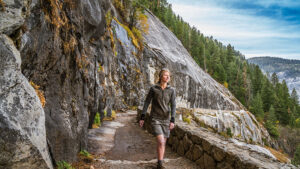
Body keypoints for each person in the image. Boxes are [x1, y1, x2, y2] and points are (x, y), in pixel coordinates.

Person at [139, 68, 176, 169]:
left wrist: (172, 120)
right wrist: (142, 116)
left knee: (163, 143)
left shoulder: (171, 90)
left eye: (169, 75)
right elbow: (147, 102)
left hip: (166, 119)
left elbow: (173, 105)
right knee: (161, 141)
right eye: (165, 75)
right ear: (160, 77)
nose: (168, 77)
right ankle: (160, 163)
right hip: (155, 118)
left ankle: (160, 164)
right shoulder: (154, 88)